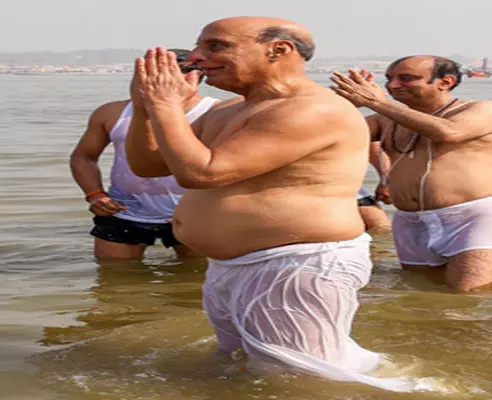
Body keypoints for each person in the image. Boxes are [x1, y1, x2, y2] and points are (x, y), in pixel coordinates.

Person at [125, 17, 422, 392]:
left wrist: (164, 105)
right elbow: (147, 164)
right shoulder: (229, 109)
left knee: (300, 384)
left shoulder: (312, 108)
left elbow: (203, 173)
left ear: (278, 49)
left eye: (216, 46)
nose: (198, 58)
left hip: (296, 264)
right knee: (249, 370)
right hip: (234, 267)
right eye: (199, 47)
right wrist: (143, 107)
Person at [330, 55, 492, 292]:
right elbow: (327, 137)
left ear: (445, 81)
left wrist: (376, 103)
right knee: (420, 294)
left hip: (470, 217)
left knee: (468, 296)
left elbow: (448, 132)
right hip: (410, 220)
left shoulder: (484, 109)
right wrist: (342, 106)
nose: (393, 85)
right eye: (389, 79)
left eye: (406, 79)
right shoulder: (385, 118)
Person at [70, 49, 219, 260]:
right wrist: (95, 195)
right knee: (114, 282)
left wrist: (210, 207)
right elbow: (83, 157)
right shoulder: (111, 113)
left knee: (194, 282)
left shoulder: (216, 113)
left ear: (194, 77)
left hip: (193, 212)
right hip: (123, 209)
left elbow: (230, 168)